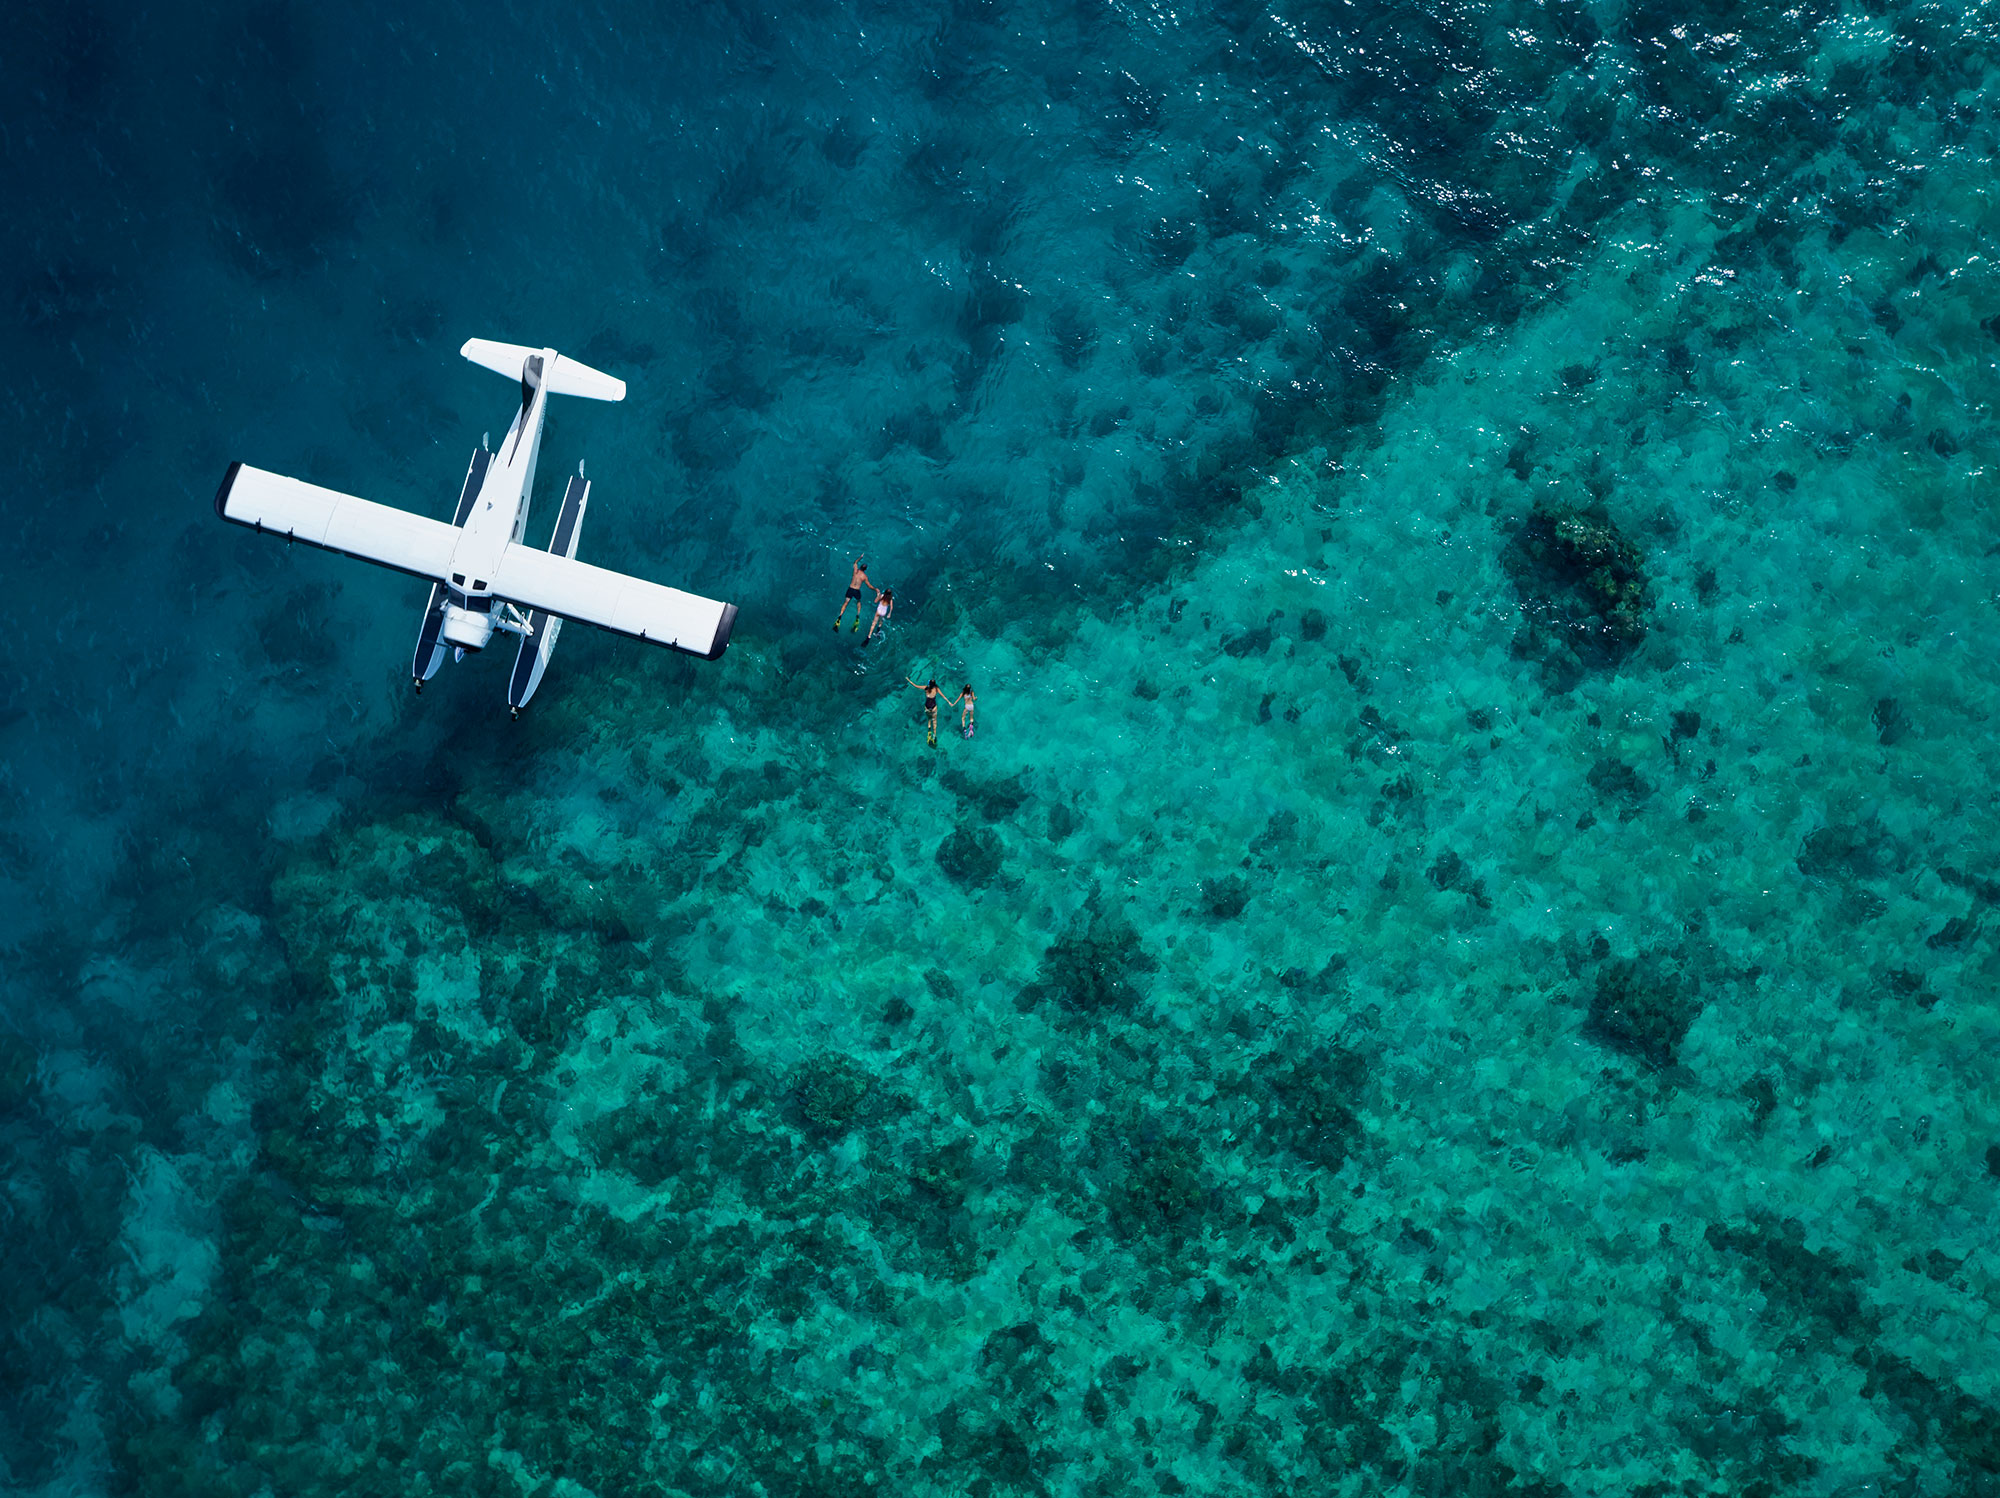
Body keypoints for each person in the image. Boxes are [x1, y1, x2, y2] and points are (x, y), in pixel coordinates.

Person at [834, 558, 874, 632]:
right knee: (858, 602)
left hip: (850, 589)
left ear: (860, 567)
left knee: (846, 603)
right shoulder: (864, 576)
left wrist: (860, 557)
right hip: (856, 591)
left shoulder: (855, 570)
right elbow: (869, 586)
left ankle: (839, 617)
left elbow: (855, 562)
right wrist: (875, 589)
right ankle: (858, 615)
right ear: (865, 569)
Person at [907, 674, 942, 746]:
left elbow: (915, 685)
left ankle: (929, 731)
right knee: (934, 721)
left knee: (929, 718)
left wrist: (908, 680)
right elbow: (943, 695)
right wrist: (949, 702)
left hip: (927, 706)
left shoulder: (926, 688)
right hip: (933, 706)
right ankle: (934, 735)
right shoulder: (936, 689)